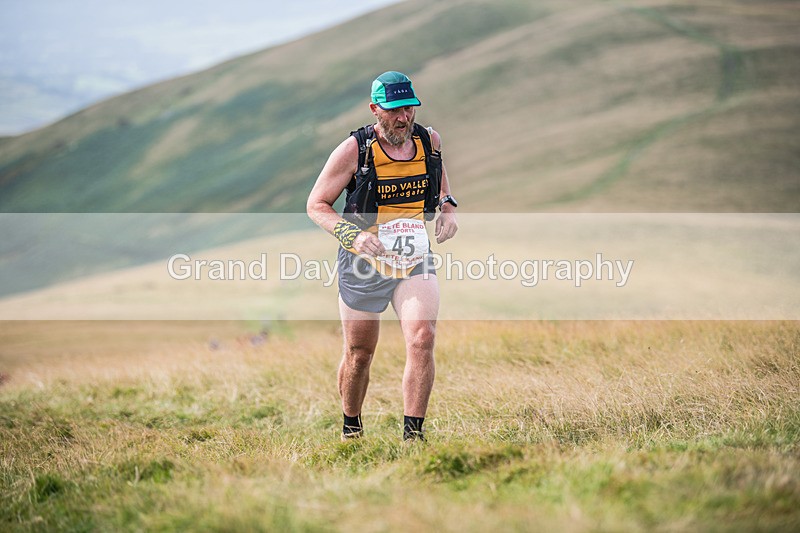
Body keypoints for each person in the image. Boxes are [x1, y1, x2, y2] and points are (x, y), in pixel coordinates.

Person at [307, 71, 458, 441]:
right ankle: (352, 427)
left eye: (408, 108)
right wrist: (352, 236)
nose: (403, 118)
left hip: (412, 257)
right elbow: (316, 205)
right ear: (375, 109)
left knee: (423, 336)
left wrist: (448, 207)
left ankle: (413, 438)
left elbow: (438, 182)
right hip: (362, 262)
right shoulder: (354, 150)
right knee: (359, 353)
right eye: (394, 111)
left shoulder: (428, 140)